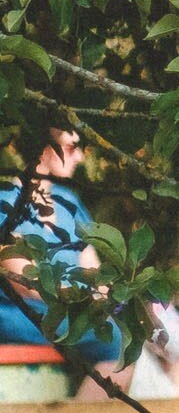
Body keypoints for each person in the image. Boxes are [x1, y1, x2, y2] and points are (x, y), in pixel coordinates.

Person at [0, 130, 129, 379]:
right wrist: (85, 302)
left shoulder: (67, 201)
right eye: (71, 148)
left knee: (149, 322)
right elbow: (25, 283)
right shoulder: (6, 202)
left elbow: (93, 270)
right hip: (23, 314)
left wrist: (117, 299)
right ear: (44, 149)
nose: (79, 157)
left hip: (70, 312)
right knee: (114, 338)